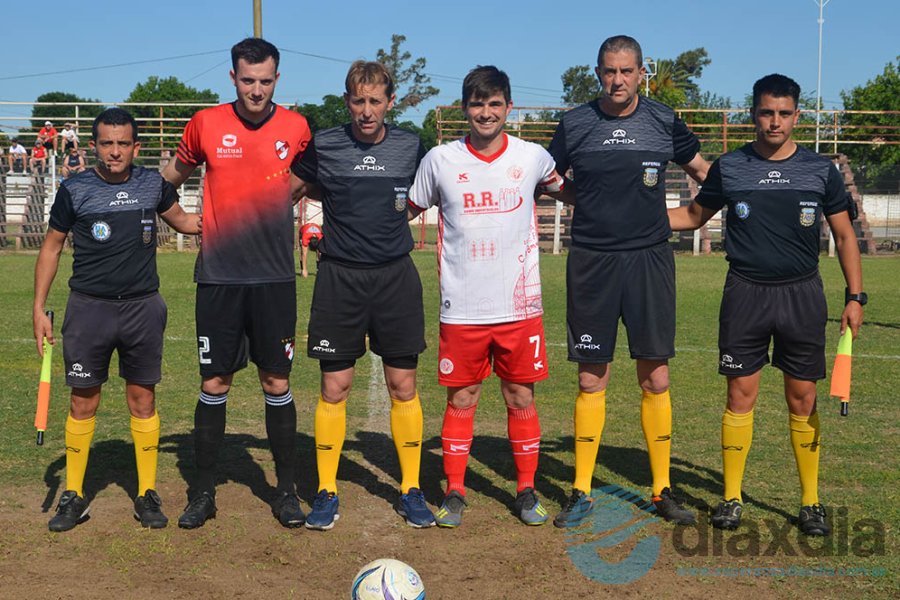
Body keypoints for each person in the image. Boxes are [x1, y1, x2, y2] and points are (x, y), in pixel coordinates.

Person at [669, 74, 864, 537]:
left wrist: (855, 296)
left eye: (783, 113)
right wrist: (635, 219)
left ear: (796, 116)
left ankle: (811, 502)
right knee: (740, 396)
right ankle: (731, 498)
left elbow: (844, 236)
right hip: (745, 293)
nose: (774, 121)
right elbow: (694, 217)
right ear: (752, 114)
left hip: (802, 295)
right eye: (765, 112)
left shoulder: (820, 170)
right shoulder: (731, 168)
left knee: (804, 398)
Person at [549, 35, 709, 528]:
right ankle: (580, 491)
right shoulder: (575, 123)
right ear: (597, 72)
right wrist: (589, 203)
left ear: (641, 72)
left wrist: (690, 219)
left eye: (625, 71)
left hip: (649, 262)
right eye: (608, 71)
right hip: (592, 262)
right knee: (590, 377)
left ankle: (662, 490)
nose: (616, 80)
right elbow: (548, 178)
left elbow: (706, 173)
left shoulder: (664, 120)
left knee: (655, 376)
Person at [162, 37, 312, 529]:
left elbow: (310, 178)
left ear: (277, 78)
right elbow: (168, 179)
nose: (256, 90)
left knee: (276, 380)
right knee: (214, 381)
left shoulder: (296, 127)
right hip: (220, 277)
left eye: (265, 81)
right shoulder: (205, 123)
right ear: (232, 78)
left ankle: (285, 493)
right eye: (247, 80)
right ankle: (202, 495)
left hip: (273, 278)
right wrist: (183, 220)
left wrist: (274, 202)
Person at [408, 66, 566, 527]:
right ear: (464, 108)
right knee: (462, 398)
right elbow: (403, 211)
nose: (486, 112)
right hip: (462, 307)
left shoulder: (533, 157)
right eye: (477, 104)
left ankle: (525, 490)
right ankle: (455, 491)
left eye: (494, 104)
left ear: (509, 108)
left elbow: (571, 193)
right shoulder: (440, 160)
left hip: (520, 307)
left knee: (520, 395)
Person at [33, 108, 200, 532]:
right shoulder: (75, 189)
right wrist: (38, 308)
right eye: (106, 143)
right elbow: (51, 247)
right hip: (89, 309)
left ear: (135, 147)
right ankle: (73, 494)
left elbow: (185, 222)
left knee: (143, 401)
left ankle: (146, 493)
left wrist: (237, 207)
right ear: (94, 146)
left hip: (143, 308)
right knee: (82, 402)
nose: (114, 152)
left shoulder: (151, 184)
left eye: (123, 143)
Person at [290, 60, 434, 530]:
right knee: (335, 388)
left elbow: (442, 187)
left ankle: (411, 488)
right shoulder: (326, 144)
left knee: (404, 387)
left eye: (375, 101)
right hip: (339, 280)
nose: (366, 111)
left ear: (390, 102)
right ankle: (326, 490)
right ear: (347, 100)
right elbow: (288, 189)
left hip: (395, 280)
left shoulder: (413, 146)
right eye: (358, 101)